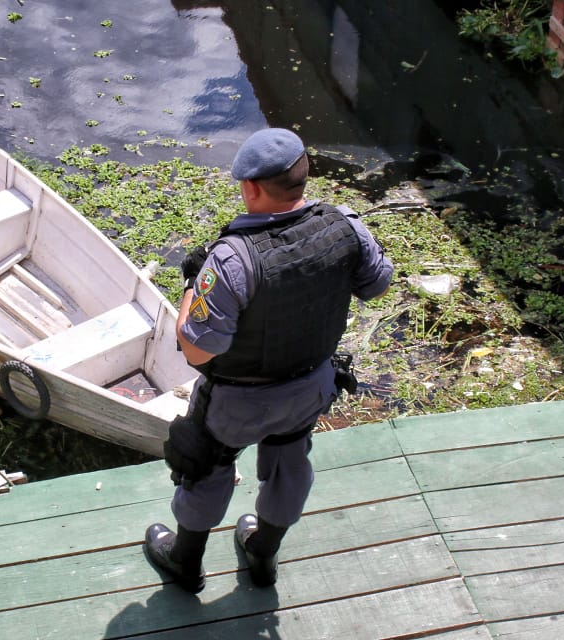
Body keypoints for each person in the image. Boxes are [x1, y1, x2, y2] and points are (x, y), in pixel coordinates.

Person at [144, 127, 393, 592]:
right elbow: (377, 284)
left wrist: (189, 289)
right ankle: (262, 555)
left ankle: (185, 561)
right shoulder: (345, 225)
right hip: (311, 387)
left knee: (206, 464)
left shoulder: (232, 260)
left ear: (251, 187)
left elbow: (199, 348)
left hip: (237, 403)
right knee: (290, 462)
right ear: (303, 177)